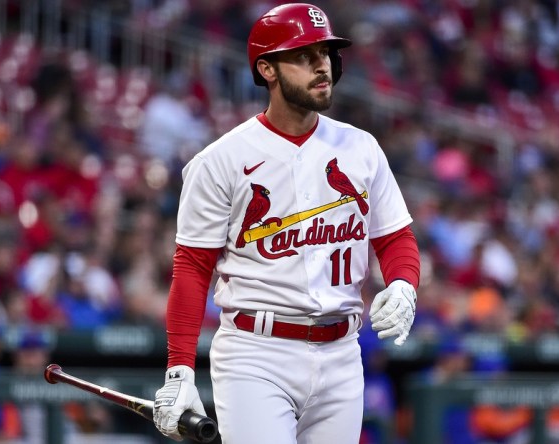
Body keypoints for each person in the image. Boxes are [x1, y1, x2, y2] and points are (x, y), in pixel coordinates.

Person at [152, 3, 421, 444]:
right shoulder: (221, 160)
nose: (323, 65)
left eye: (326, 53)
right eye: (304, 55)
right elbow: (192, 266)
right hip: (257, 353)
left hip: (341, 353)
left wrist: (404, 283)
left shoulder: (362, 148)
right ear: (267, 69)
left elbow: (395, 238)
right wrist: (180, 368)